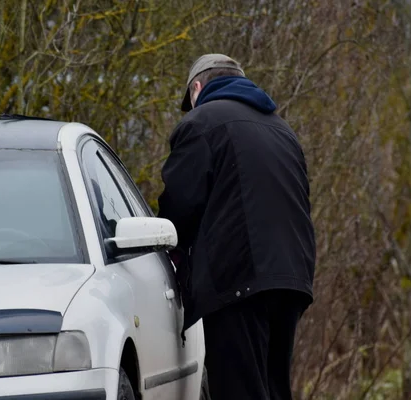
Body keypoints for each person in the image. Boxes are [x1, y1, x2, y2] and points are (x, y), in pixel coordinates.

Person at [157, 54, 316, 400]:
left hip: (238, 282)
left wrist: (170, 254)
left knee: (239, 391)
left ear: (197, 87)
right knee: (274, 389)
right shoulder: (283, 130)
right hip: (291, 280)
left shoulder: (201, 122)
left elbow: (178, 209)